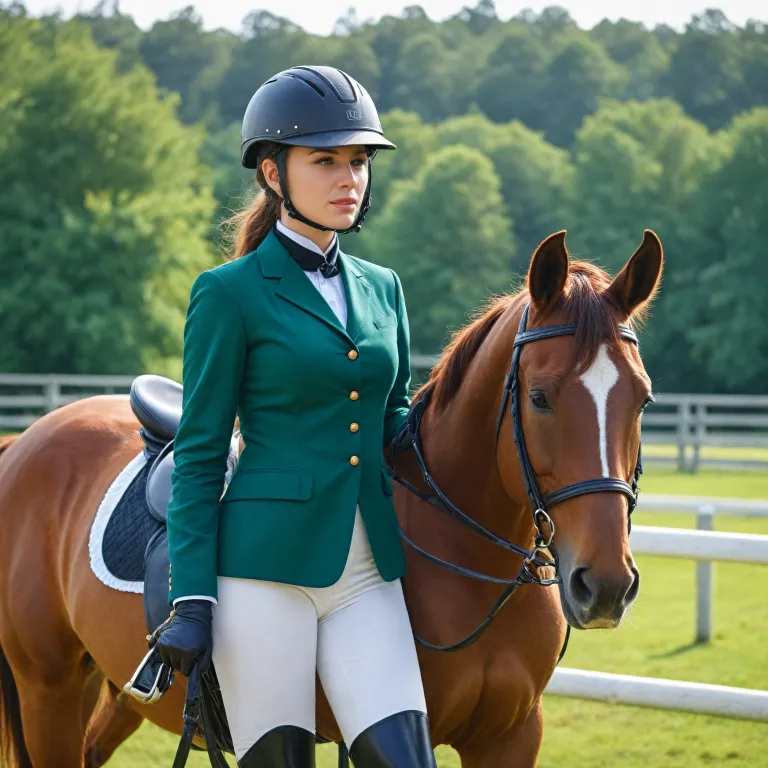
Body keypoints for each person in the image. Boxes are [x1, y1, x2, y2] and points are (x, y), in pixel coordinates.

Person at [157, 65, 434, 768]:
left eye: (359, 161)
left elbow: (393, 415)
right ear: (274, 175)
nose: (350, 179)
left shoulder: (385, 288)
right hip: (262, 577)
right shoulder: (227, 294)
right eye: (327, 161)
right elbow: (198, 452)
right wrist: (191, 598)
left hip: (369, 573)